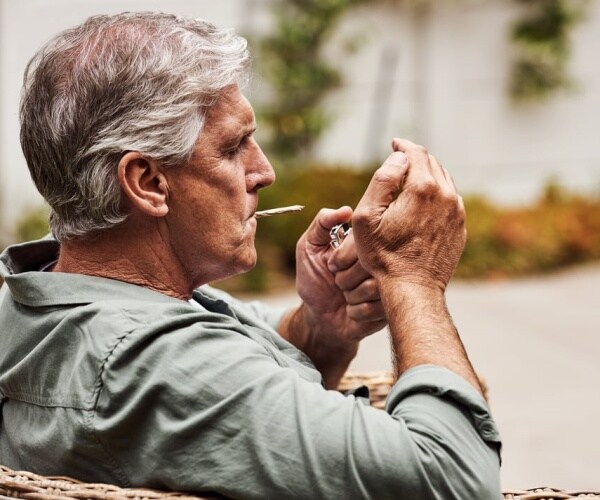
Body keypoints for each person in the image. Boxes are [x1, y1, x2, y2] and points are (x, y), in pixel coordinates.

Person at [0, 12, 501, 500]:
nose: (264, 171)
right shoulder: (157, 364)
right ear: (148, 183)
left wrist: (320, 329)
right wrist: (413, 277)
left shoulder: (44, 292)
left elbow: (242, 376)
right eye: (234, 146)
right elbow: (453, 481)